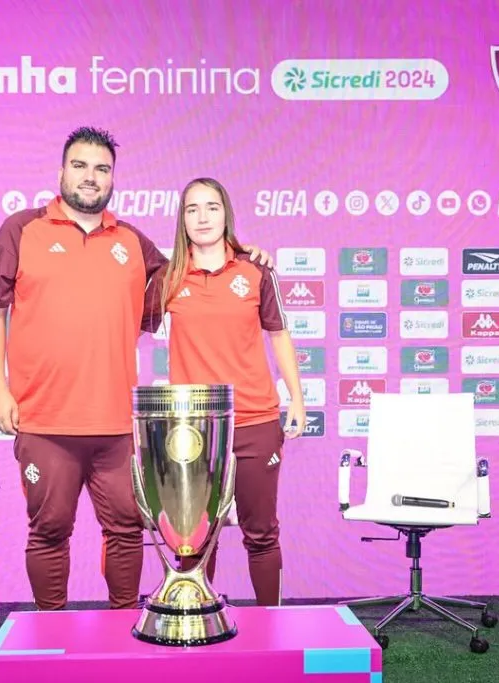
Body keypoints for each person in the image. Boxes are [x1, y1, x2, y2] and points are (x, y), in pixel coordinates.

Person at [0, 128, 274, 611]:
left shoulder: (134, 243)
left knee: (126, 531)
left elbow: (193, 265)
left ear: (113, 177)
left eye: (101, 168)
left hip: (118, 424)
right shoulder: (21, 229)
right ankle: (51, 632)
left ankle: (122, 631)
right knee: (49, 530)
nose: (90, 177)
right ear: (61, 172)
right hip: (45, 419)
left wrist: (244, 255)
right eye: (80, 166)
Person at [141, 176, 305, 607]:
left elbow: (279, 335)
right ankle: (196, 621)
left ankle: (272, 622)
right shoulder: (169, 276)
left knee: (261, 531)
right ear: (182, 220)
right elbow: (125, 326)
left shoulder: (256, 269)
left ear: (226, 213)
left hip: (255, 420)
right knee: (194, 537)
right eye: (192, 209)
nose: (202, 217)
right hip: (193, 429)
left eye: (211, 207)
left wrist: (298, 399)